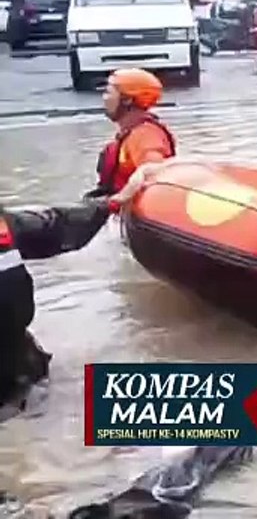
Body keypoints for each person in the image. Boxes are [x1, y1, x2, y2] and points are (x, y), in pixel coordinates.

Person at [2, 199, 112, 420]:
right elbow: (55, 228)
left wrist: (108, 204)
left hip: (21, 375)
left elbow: (55, 227)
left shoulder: (10, 226)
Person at [87, 69, 176, 200]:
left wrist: (122, 197)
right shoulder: (130, 132)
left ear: (127, 100)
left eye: (108, 92)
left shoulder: (145, 135)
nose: (104, 98)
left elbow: (157, 173)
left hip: (130, 209)